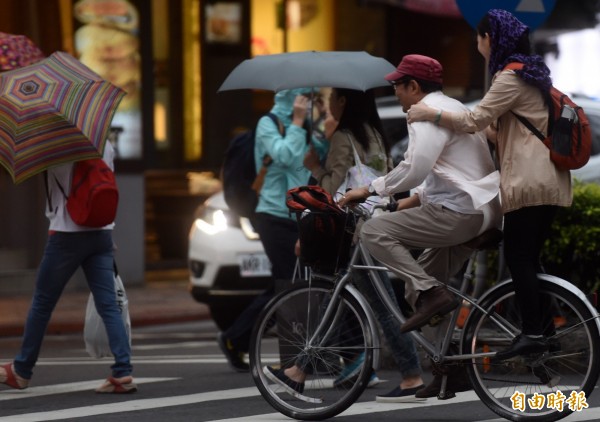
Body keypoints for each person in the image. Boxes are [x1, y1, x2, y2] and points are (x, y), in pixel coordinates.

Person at [407, 10, 572, 361]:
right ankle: (546, 332)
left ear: (490, 39)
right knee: (530, 258)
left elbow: (472, 120)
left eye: (478, 38)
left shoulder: (509, 77)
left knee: (519, 257)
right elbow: (499, 129)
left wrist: (430, 114)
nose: (477, 44)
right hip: (547, 181)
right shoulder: (530, 74)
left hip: (530, 183)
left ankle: (532, 333)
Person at [339, 54, 501, 397]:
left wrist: (369, 189)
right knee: (417, 290)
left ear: (413, 87)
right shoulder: (451, 106)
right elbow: (443, 174)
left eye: (398, 86)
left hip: (460, 213)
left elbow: (416, 168)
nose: (396, 93)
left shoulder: (423, 114)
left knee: (373, 233)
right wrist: (398, 203)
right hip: (481, 210)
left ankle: (432, 294)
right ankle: (450, 365)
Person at [302, 87, 426, 402]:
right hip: (378, 222)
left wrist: (315, 167)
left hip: (356, 229)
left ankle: (411, 374)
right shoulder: (373, 132)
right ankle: (300, 369)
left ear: (343, 101)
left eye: (332, 98)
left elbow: (331, 190)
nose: (329, 104)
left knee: (378, 305)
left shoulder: (344, 136)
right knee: (346, 297)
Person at [0, 142, 135, 394]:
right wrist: (108, 233)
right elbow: (107, 187)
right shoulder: (105, 143)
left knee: (42, 302)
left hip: (66, 233)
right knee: (107, 304)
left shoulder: (55, 145)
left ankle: (22, 370)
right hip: (101, 233)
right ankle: (123, 371)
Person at [218, 88, 327, 372]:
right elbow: (286, 157)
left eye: (309, 96)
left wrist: (323, 120)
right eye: (302, 95)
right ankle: (293, 358)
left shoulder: (306, 125)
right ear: (290, 97)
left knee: (290, 281)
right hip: (273, 215)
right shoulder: (269, 124)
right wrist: (298, 122)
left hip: (301, 214)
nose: (306, 101)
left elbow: (318, 160)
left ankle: (238, 337)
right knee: (290, 284)